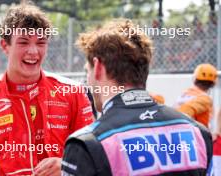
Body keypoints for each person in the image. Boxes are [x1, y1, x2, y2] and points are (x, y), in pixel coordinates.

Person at [0, 2, 94, 176]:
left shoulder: (73, 93)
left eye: (41, 42)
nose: (33, 51)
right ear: (4, 46)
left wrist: (67, 165)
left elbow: (92, 159)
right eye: (23, 42)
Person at [62, 19, 213, 175]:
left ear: (98, 67)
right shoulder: (199, 133)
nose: (88, 80)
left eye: (88, 71)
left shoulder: (86, 143)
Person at [175, 63, 217, 128]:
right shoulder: (204, 98)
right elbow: (185, 110)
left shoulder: (185, 93)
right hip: (196, 133)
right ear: (212, 83)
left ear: (195, 79)